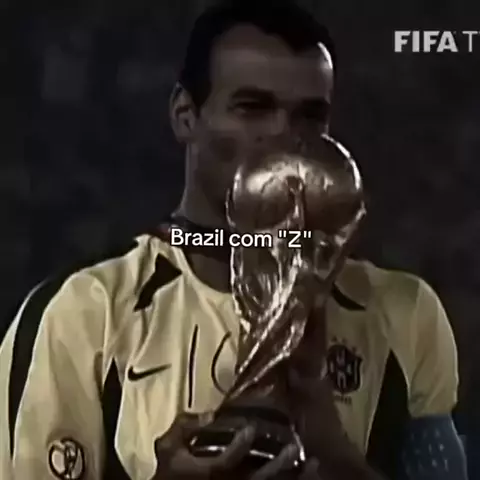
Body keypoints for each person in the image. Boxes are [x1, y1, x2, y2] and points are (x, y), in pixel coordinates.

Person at [0, 1, 468, 479]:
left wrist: (337, 456)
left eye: (310, 116)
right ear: (185, 115)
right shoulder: (80, 316)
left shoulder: (404, 314)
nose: (284, 136)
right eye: (253, 108)